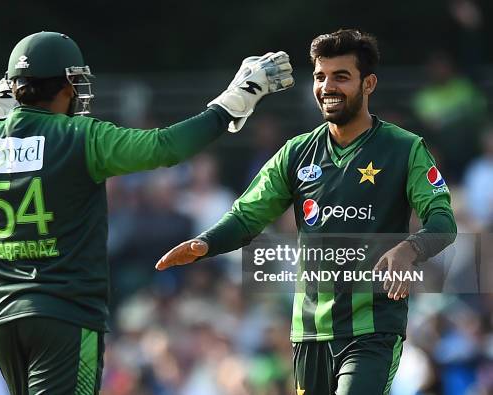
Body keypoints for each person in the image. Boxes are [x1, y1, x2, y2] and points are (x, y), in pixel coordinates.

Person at [0, 31, 294, 395]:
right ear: (65, 85)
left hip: (3, 316)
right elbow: (165, 147)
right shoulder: (80, 137)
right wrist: (235, 100)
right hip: (65, 312)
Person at [156, 29, 457, 395]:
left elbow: (443, 222)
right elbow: (248, 216)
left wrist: (408, 249)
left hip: (372, 328)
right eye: (320, 76)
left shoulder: (405, 149)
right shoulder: (296, 153)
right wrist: (206, 243)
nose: (327, 86)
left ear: (369, 83)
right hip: (308, 331)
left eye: (341, 76)